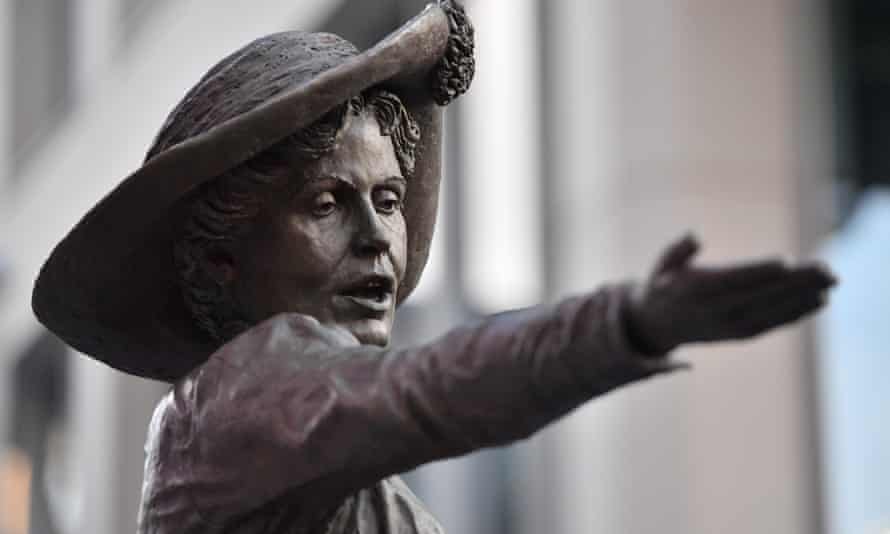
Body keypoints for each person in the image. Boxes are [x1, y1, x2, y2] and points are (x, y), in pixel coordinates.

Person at [31, 2, 835, 533]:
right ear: (220, 259)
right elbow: (432, 390)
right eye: (325, 204)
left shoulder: (322, 448)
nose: (379, 235)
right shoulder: (239, 403)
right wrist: (626, 325)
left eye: (387, 198)